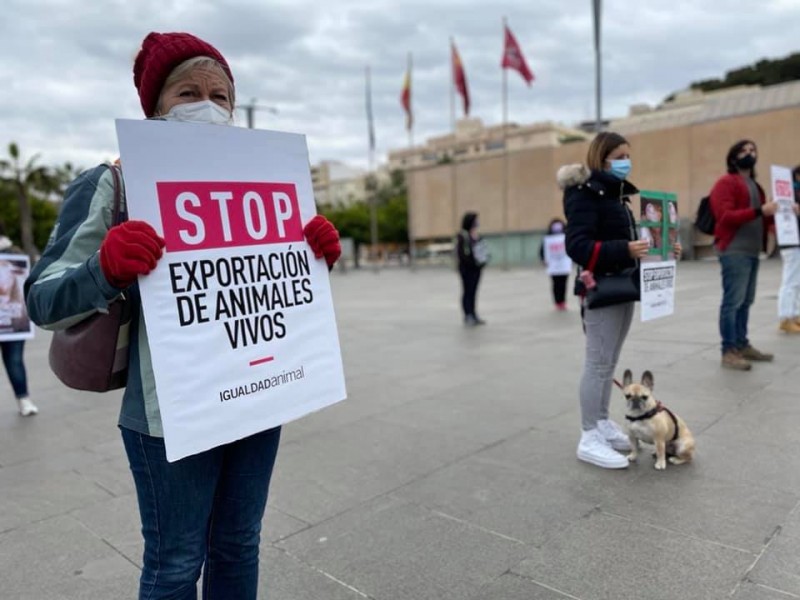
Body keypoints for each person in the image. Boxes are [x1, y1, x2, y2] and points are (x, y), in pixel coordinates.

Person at [25, 31, 341, 599]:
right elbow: (40, 298)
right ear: (155, 108)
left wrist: (313, 257)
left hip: (257, 397)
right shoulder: (112, 182)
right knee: (175, 564)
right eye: (188, 93)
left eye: (220, 96)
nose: (208, 106)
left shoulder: (262, 183)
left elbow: (267, 284)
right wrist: (104, 268)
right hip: (169, 412)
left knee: (239, 545)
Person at [558, 132, 679, 469]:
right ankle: (588, 436)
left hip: (623, 284)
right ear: (602, 157)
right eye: (620, 156)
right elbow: (577, 245)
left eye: (629, 156)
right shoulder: (583, 192)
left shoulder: (617, 196)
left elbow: (636, 243)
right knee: (597, 364)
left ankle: (600, 423)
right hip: (601, 287)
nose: (627, 162)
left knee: (608, 362)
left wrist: (666, 248)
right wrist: (623, 249)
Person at [710, 140, 778, 370]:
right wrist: (760, 210)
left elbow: (763, 217)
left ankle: (741, 344)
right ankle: (728, 351)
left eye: (752, 150)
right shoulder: (726, 182)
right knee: (733, 302)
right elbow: (725, 216)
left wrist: (778, 216)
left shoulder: (755, 186)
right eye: (743, 151)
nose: (749, 154)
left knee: (746, 301)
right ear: (733, 157)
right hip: (734, 250)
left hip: (752, 251)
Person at [0, 226, 36, 416]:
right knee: (14, 359)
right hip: (12, 317)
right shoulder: (15, 253)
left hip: (12, 319)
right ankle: (24, 400)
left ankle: (23, 398)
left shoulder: (14, 254)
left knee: (14, 360)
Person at [777, 165, 800, 333]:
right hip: (791, 241)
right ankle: (785, 317)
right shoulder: (789, 194)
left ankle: (795, 314)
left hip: (796, 241)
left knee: (797, 281)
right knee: (790, 281)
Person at [456, 211, 488, 325]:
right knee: (467, 291)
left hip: (476, 269)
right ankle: (468, 314)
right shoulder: (463, 236)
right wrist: (471, 263)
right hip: (467, 269)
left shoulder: (476, 235)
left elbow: (481, 249)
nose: (477, 223)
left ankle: (474, 313)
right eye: (475, 221)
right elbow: (462, 254)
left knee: (474, 292)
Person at [539, 218, 570, 310]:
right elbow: (542, 250)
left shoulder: (566, 236)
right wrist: (543, 259)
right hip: (553, 266)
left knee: (563, 284)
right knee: (555, 284)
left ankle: (563, 301)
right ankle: (557, 302)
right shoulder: (547, 238)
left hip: (564, 265)